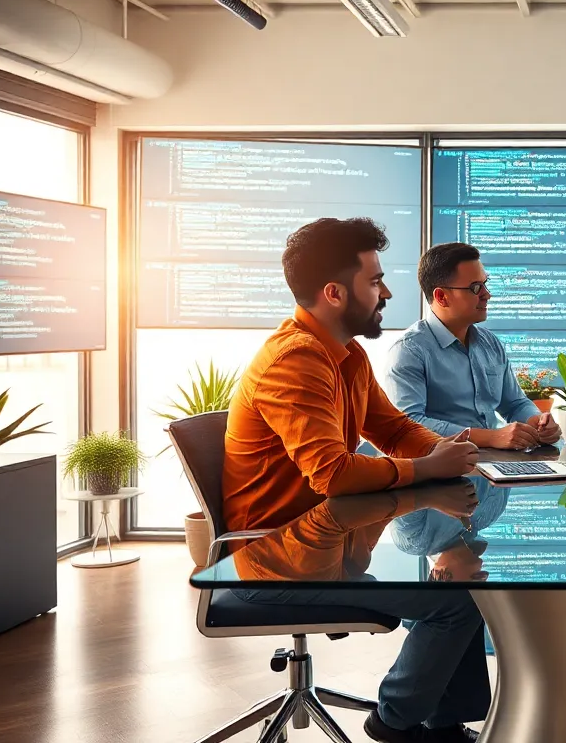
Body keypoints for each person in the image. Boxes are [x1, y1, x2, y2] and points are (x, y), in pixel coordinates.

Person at [222, 217, 487, 743]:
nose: (387, 292)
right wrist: (428, 468)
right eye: (375, 282)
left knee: (463, 584)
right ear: (334, 292)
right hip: (276, 565)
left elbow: (392, 428)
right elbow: (333, 473)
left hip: (322, 542)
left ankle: (440, 723)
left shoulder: (345, 354)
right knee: (456, 601)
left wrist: (453, 454)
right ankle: (397, 724)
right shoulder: (295, 360)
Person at [386, 242, 561, 450]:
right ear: (441, 297)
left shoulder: (491, 344)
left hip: (497, 465)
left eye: (486, 284)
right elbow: (410, 425)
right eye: (476, 287)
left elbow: (514, 403)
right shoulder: (409, 350)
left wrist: (537, 422)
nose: (487, 294)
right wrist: (490, 437)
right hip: (442, 470)